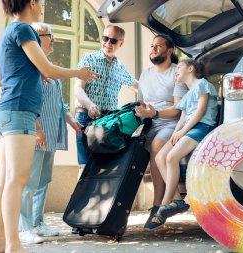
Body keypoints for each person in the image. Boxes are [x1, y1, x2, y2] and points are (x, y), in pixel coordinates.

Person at [0, 1, 98, 252]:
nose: (41, 6)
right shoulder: (25, 30)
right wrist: (77, 73)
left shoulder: (6, 33)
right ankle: (14, 245)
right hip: (19, 112)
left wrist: (26, 71)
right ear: (31, 3)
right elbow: (48, 69)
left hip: (4, 112)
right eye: (40, 2)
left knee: (3, 181)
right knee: (17, 181)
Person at [17, 22, 82, 244]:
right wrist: (37, 129)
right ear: (35, 38)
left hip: (52, 133)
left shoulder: (51, 68)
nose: (52, 39)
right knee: (30, 181)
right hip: (37, 133)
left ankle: (37, 222)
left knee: (43, 180)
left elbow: (60, 103)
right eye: (48, 35)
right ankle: (24, 227)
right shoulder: (31, 67)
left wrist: (71, 120)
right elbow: (28, 100)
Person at [147, 59, 219, 230]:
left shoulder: (203, 84)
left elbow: (201, 111)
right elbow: (182, 118)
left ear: (191, 68)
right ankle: (178, 200)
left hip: (202, 126)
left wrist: (183, 131)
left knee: (171, 158)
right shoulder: (186, 96)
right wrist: (175, 135)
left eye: (178, 67)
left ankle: (166, 204)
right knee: (160, 157)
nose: (176, 70)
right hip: (188, 128)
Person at [133, 34, 187, 229]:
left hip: (171, 123)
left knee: (157, 144)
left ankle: (158, 206)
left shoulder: (176, 73)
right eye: (152, 45)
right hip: (149, 124)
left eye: (158, 46)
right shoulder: (146, 74)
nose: (153, 49)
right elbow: (140, 102)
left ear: (169, 51)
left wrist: (155, 113)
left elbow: (179, 109)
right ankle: (167, 203)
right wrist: (140, 113)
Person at [75, 25, 137, 179]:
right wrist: (89, 105)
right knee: (84, 168)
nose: (108, 43)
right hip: (86, 118)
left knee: (104, 169)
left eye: (113, 41)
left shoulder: (120, 67)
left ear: (121, 43)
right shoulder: (89, 59)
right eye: (105, 38)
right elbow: (77, 88)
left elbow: (139, 87)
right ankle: (79, 203)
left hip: (108, 123)